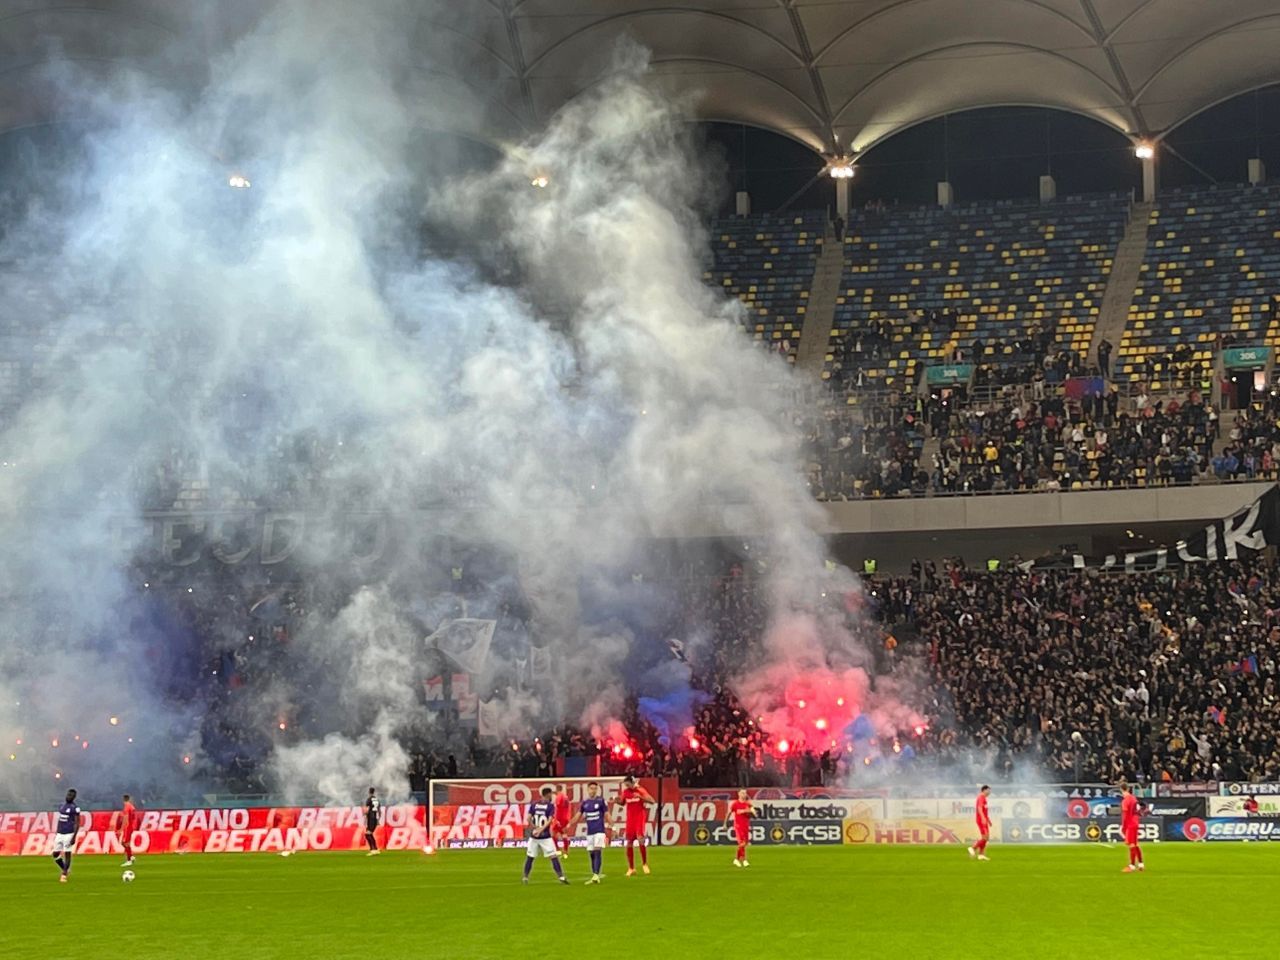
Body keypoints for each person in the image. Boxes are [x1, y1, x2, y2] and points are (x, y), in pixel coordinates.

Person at [522, 785, 569, 885]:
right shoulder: (550, 806)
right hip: (545, 836)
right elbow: (549, 820)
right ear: (548, 794)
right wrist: (541, 829)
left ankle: (525, 877)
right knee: (553, 856)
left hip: (534, 836)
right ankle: (561, 877)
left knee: (530, 857)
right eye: (551, 794)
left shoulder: (534, 804)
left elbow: (528, 818)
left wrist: (535, 828)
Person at [567, 782, 609, 884]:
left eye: (595, 788)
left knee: (597, 850)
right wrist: (570, 824)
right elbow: (578, 815)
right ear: (588, 789)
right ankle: (594, 874)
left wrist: (614, 827)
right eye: (591, 788)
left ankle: (595, 875)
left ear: (597, 790)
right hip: (590, 832)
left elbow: (607, 814)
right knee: (591, 853)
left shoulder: (601, 801)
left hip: (599, 830)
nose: (593, 790)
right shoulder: (584, 803)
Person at [614, 775, 655, 876]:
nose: (627, 786)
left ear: (632, 783)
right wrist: (617, 801)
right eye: (625, 785)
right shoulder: (626, 792)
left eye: (628, 784)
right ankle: (631, 868)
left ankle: (644, 864)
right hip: (630, 819)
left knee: (640, 839)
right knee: (629, 842)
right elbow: (623, 802)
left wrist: (641, 797)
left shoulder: (640, 790)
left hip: (639, 818)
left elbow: (652, 801)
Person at [52, 788, 79, 883]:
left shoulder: (75, 808)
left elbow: (77, 823)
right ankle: (65, 869)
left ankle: (64, 875)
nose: (68, 796)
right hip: (60, 833)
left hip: (69, 834)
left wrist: (74, 836)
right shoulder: (62, 806)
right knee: (55, 854)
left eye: (71, 795)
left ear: (74, 797)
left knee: (67, 853)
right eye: (68, 795)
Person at [724, 788, 754, 868]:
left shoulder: (748, 804)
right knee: (742, 842)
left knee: (744, 843)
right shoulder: (735, 804)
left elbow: (754, 814)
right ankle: (744, 860)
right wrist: (725, 824)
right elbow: (728, 813)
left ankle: (737, 859)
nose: (744, 794)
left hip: (746, 826)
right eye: (742, 793)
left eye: (745, 793)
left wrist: (747, 811)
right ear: (739, 794)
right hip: (738, 826)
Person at [1120, 781, 1145, 873]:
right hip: (1136, 822)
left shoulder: (1125, 801)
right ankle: (1141, 864)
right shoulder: (1134, 799)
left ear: (1121, 790)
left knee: (1131, 845)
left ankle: (1131, 866)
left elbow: (1125, 815)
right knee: (1135, 844)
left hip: (1130, 823)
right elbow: (1138, 810)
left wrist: (1123, 827)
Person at [968, 784, 991, 861]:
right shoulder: (981, 797)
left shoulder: (984, 798)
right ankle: (972, 848)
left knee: (986, 838)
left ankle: (981, 855)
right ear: (984, 790)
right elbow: (979, 808)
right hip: (981, 820)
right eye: (988, 790)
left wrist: (988, 820)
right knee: (985, 838)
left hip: (983, 819)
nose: (990, 792)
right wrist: (983, 818)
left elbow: (984, 811)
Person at [553, 783, 572, 859]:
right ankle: (566, 852)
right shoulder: (565, 797)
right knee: (564, 834)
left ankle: (558, 850)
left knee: (553, 833)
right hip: (565, 818)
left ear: (557, 789)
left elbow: (557, 807)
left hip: (560, 818)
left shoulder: (559, 797)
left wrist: (556, 819)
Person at [118, 794, 137, 867]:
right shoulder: (132, 807)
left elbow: (126, 819)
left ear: (123, 800)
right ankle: (131, 856)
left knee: (125, 843)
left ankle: (129, 860)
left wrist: (121, 829)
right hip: (130, 826)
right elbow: (133, 817)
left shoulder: (126, 807)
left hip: (128, 827)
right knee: (124, 842)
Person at [363, 787, 381, 856]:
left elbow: (367, 809)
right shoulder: (377, 799)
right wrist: (378, 820)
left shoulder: (369, 799)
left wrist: (365, 814)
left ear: (369, 792)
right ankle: (375, 849)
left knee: (368, 834)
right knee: (369, 834)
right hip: (375, 818)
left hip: (371, 818)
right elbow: (379, 810)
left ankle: (373, 850)